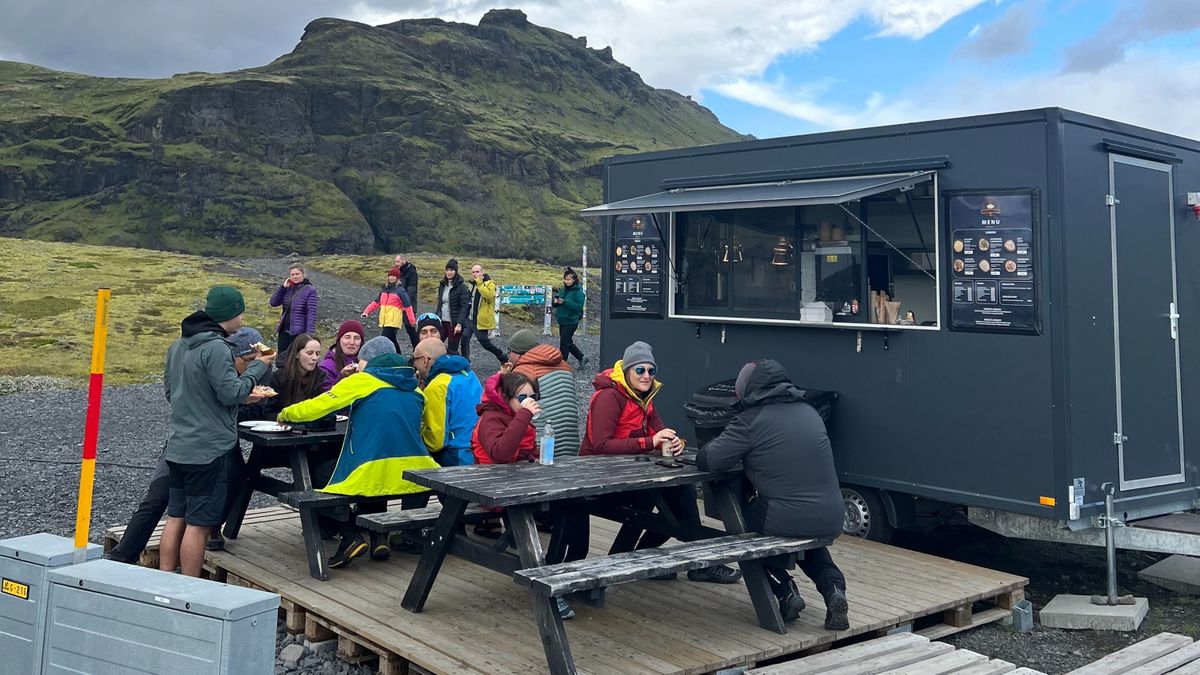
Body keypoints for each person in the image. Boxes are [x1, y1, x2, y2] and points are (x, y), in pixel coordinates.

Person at [697, 359, 850, 630]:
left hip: (784, 516)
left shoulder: (750, 420)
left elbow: (712, 460)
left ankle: (784, 590)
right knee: (808, 538)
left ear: (747, 390)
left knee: (742, 527)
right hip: (833, 514)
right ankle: (834, 590)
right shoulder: (809, 412)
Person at [581, 341, 741, 584]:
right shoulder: (609, 397)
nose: (646, 376)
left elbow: (661, 431)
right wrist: (650, 442)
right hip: (600, 480)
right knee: (665, 498)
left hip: (631, 476)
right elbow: (601, 445)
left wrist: (677, 443)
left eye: (651, 371)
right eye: (640, 370)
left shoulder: (645, 397)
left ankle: (651, 559)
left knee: (680, 492)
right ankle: (692, 561)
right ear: (626, 371)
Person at [109, 326, 269, 563]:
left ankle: (214, 528)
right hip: (188, 442)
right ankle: (123, 554)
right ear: (235, 356)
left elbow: (258, 408)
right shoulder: (213, 364)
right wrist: (234, 402)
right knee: (158, 497)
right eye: (247, 360)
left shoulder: (258, 372)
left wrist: (242, 401)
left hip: (221, 442)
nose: (251, 365)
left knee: (237, 478)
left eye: (254, 360)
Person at [279, 345, 438, 568]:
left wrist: (286, 413)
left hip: (372, 471)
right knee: (374, 471)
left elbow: (318, 406)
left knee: (314, 476)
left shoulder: (363, 381)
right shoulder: (417, 391)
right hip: (415, 474)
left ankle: (350, 535)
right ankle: (378, 537)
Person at [160, 286, 274, 577]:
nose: (243, 318)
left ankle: (162, 581)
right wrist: (257, 370)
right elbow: (229, 392)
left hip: (178, 445)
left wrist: (234, 396)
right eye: (240, 311)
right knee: (198, 525)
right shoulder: (217, 347)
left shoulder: (177, 346)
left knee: (176, 516)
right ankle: (191, 589)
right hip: (208, 450)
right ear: (230, 314)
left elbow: (172, 392)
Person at [507, 329, 581, 457]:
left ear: (519, 354)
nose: (508, 356)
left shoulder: (522, 372)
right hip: (571, 444)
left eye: (510, 351)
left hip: (544, 447)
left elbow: (511, 408)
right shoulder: (565, 366)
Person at [412, 337, 481, 467]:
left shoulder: (438, 386)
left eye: (415, 361)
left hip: (457, 456)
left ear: (425, 360)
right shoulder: (469, 373)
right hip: (478, 450)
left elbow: (435, 442)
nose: (415, 366)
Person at [361, 268, 416, 353]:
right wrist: (366, 312)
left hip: (393, 321)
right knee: (392, 340)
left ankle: (383, 356)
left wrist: (412, 321)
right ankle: (398, 357)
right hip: (385, 321)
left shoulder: (401, 291)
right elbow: (376, 302)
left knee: (384, 339)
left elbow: (408, 306)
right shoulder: (384, 290)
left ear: (397, 277)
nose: (391, 277)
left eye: (394, 275)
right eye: (390, 275)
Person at [268, 263, 318, 354]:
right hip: (283, 330)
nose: (295, 277)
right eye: (292, 274)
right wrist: (283, 288)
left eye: (297, 274)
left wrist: (309, 335)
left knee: (295, 358)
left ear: (303, 274)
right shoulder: (288, 288)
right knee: (282, 358)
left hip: (298, 332)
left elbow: (311, 313)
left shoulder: (310, 290)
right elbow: (273, 302)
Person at [464, 264, 507, 365]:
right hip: (470, 318)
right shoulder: (472, 284)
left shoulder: (490, 284)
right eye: (473, 272)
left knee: (485, 343)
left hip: (480, 320)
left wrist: (479, 284)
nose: (475, 274)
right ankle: (465, 362)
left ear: (482, 273)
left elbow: (489, 296)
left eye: (477, 272)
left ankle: (502, 356)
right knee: (464, 339)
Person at [435, 259, 471, 355]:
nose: (449, 272)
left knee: (452, 349)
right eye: (447, 270)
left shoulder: (461, 287)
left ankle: (459, 365)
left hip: (454, 324)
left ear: (456, 271)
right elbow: (440, 304)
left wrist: (459, 324)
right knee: (436, 343)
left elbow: (464, 307)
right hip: (442, 321)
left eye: (451, 270)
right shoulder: (442, 285)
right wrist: (435, 318)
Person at [553, 267, 587, 369]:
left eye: (568, 279)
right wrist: (555, 302)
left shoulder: (579, 292)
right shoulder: (563, 290)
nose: (566, 281)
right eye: (565, 279)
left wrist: (565, 302)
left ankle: (562, 364)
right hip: (562, 320)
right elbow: (556, 302)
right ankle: (581, 357)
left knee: (564, 342)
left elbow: (578, 307)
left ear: (574, 280)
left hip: (571, 320)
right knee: (567, 341)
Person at [318, 320, 364, 391]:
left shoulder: (367, 363)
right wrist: (342, 377)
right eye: (347, 337)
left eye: (356, 338)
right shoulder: (326, 366)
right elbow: (324, 396)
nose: (352, 342)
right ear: (339, 340)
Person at [395, 254, 421, 347]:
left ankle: (418, 350)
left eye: (398, 262)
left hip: (408, 307)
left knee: (411, 330)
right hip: (397, 307)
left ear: (403, 260)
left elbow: (412, 291)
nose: (396, 264)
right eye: (395, 262)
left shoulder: (411, 272)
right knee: (392, 330)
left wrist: (405, 305)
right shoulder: (398, 272)